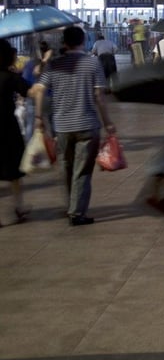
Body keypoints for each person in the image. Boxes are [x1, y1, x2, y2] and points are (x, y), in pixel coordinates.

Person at [30, 26, 116, 226]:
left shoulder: (54, 65)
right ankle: (76, 212)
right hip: (87, 125)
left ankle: (72, 206)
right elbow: (99, 97)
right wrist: (108, 123)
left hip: (61, 126)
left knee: (67, 168)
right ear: (83, 41)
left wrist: (38, 117)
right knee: (82, 171)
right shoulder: (93, 63)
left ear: (64, 42)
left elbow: (40, 90)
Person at [1, 40, 32, 226]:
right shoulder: (9, 77)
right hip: (7, 128)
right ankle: (19, 207)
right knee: (13, 170)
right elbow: (28, 91)